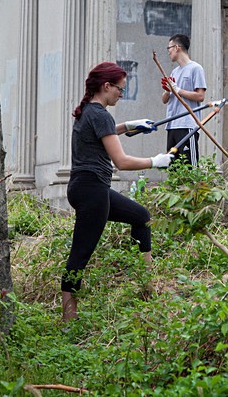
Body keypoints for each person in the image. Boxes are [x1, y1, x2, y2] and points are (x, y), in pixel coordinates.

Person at [61, 62, 174, 321]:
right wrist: (155, 161)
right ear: (106, 86)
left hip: (85, 188)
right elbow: (121, 162)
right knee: (79, 256)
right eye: (120, 90)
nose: (121, 95)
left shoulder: (88, 112)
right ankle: (68, 320)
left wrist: (130, 125)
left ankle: (147, 289)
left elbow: (105, 131)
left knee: (141, 216)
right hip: (92, 191)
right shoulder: (100, 114)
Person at [160, 34, 206, 166]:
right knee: (173, 168)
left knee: (189, 168)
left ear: (176, 47)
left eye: (169, 48)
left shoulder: (195, 68)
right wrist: (168, 90)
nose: (168, 51)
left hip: (187, 125)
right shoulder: (174, 72)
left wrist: (178, 90)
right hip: (172, 125)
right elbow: (164, 100)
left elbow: (200, 96)